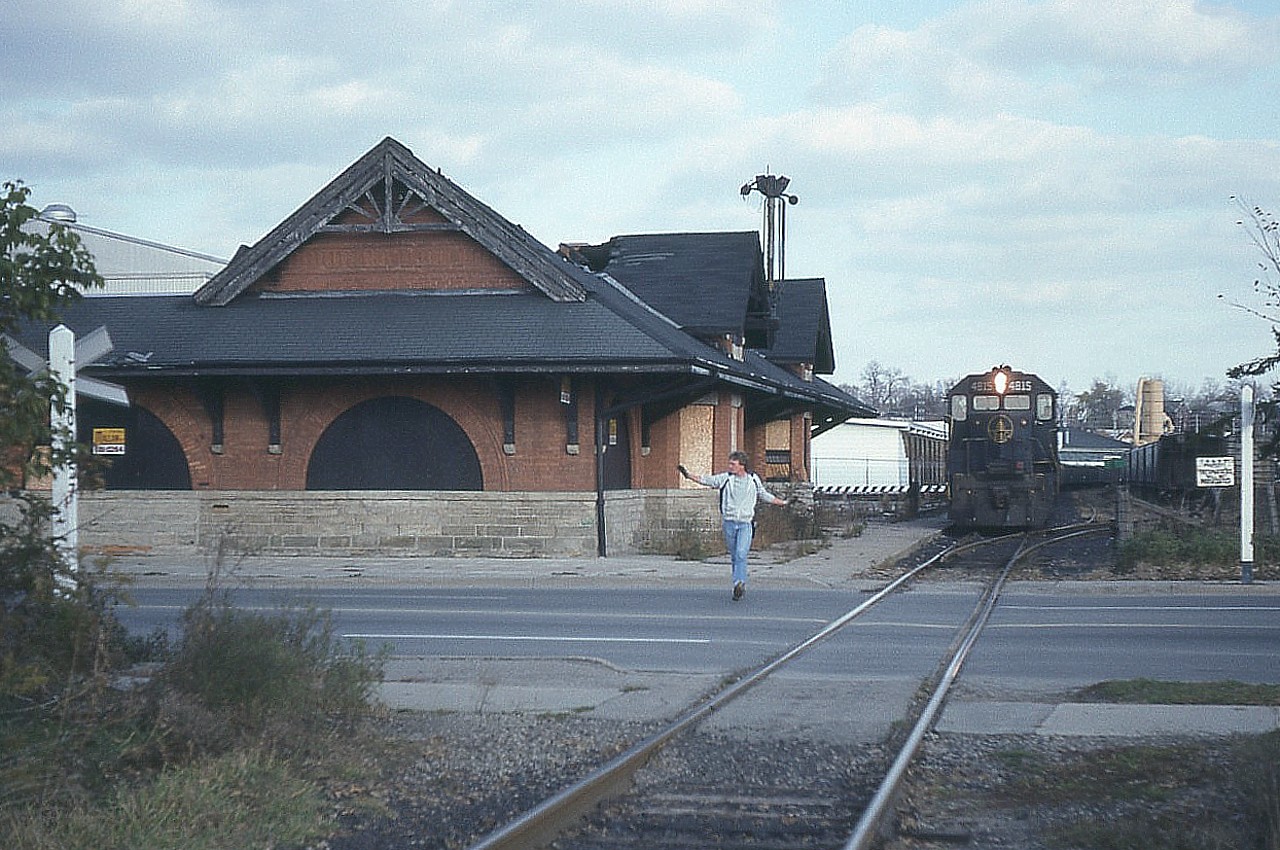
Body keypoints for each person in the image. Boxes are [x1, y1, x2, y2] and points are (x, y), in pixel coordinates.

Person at [678, 451, 786, 601]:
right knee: (735, 555)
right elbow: (707, 480)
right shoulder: (726, 479)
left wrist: (783, 502)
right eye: (730, 464)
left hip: (745, 524)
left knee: (741, 553)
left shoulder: (753, 479)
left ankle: (739, 583)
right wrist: (689, 475)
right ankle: (738, 582)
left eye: (733, 464)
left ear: (742, 466)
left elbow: (764, 494)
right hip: (729, 522)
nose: (730, 466)